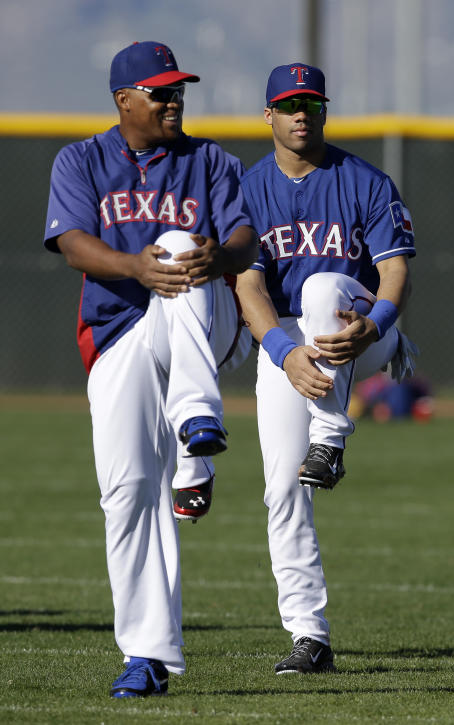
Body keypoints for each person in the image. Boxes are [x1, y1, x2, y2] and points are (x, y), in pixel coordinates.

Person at [43, 41, 257, 697]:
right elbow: (72, 242)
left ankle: (197, 415)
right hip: (116, 331)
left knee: (177, 244)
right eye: (160, 91)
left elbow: (246, 238)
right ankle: (147, 655)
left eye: (177, 89)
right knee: (128, 489)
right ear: (124, 100)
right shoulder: (81, 159)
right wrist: (134, 266)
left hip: (203, 317)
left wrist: (215, 255)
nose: (173, 100)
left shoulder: (210, 159)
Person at [235, 63, 416, 674]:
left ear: (324, 111)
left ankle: (332, 437)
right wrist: (284, 355)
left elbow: (394, 272)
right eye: (289, 104)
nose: (301, 113)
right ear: (269, 115)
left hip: (362, 327)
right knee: (282, 489)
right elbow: (249, 287)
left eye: (311, 103)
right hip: (290, 342)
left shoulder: (363, 180)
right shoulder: (247, 189)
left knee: (318, 287)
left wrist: (380, 323)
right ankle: (309, 636)